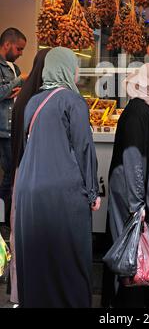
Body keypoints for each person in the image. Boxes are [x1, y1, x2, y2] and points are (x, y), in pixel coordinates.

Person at [14, 47, 101, 308]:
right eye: (74, 65)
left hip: (29, 190)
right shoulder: (73, 102)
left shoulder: (32, 102)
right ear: (65, 67)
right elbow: (84, 148)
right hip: (62, 191)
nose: (77, 71)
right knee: (69, 257)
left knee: (39, 256)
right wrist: (93, 191)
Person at [103, 62, 149, 308]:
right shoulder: (137, 111)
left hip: (147, 195)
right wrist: (137, 206)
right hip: (136, 199)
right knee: (133, 260)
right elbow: (133, 158)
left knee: (147, 258)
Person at [9, 48, 51, 305]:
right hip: (33, 175)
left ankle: (20, 293)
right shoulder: (40, 99)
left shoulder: (24, 95)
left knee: (21, 237)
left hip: (20, 173)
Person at [0, 28, 27, 225]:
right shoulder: (15, 72)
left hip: (12, 129)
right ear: (7, 44)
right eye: (18, 49)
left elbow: (12, 94)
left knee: (12, 175)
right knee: (9, 176)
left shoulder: (14, 68)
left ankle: (7, 217)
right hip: (2, 130)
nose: (20, 54)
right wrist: (19, 81)